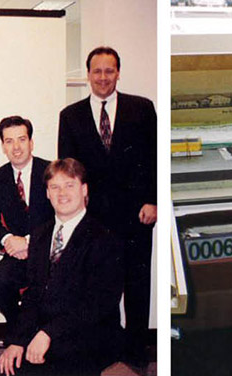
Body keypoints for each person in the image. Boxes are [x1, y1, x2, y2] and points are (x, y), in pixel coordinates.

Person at [57, 46, 156, 364]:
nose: (102, 77)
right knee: (100, 287)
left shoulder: (141, 108)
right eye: (97, 71)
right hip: (94, 219)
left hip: (136, 213)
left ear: (118, 73)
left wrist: (152, 200)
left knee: (137, 283)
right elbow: (68, 171)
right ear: (87, 74)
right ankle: (106, 349)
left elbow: (154, 158)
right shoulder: (70, 116)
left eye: (109, 70)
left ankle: (138, 351)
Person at [0, 158, 124, 376]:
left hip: (88, 334)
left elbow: (97, 304)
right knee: (3, 371)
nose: (61, 193)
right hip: (45, 330)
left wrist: (48, 333)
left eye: (69, 185)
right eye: (54, 187)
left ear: (84, 190)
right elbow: (33, 295)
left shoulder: (104, 238)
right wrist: (17, 340)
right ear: (47, 193)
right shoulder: (40, 235)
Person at [0, 116, 54, 324]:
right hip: (16, 254)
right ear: (3, 146)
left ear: (31, 142)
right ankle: (19, 327)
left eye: (21, 139)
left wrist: (30, 241)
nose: (16, 147)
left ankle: (42, 332)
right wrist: (8, 239)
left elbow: (61, 215)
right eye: (9, 141)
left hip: (50, 252)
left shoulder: (51, 171)